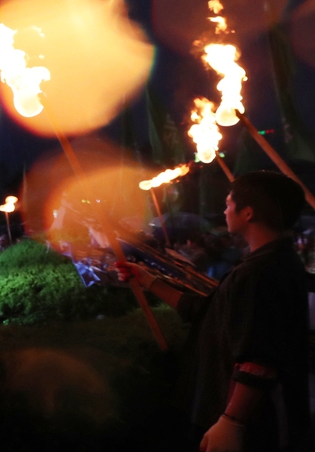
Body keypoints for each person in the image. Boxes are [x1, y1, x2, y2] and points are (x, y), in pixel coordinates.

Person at [117, 171, 310, 451]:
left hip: (257, 424)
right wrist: (148, 280)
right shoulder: (271, 261)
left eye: (228, 204)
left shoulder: (260, 273)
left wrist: (232, 422)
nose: (224, 210)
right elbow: (209, 312)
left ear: (247, 213)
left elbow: (259, 359)